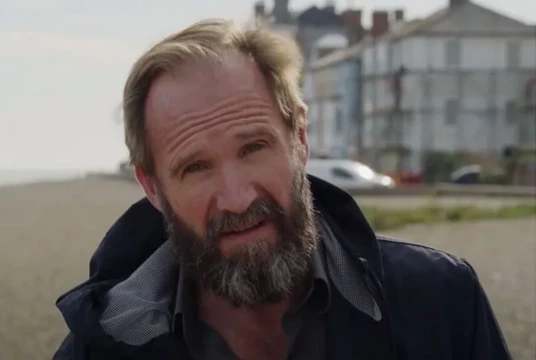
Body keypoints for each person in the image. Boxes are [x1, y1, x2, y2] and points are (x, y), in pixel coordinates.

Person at [53, 19, 511, 360]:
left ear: (300, 138)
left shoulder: (440, 304)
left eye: (254, 147)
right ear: (152, 187)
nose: (238, 197)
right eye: (195, 168)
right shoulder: (101, 348)